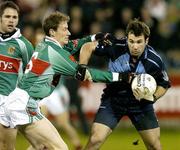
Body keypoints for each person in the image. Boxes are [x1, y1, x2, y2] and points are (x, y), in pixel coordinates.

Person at [0, 11, 131, 150]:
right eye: (64, 29)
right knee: (60, 148)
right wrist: (122, 77)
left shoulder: (45, 43)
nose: (68, 32)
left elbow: (74, 44)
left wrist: (95, 36)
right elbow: (86, 74)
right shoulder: (55, 54)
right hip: (24, 105)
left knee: (40, 147)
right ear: (52, 32)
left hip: (17, 102)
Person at [79, 19, 171, 150]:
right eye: (131, 41)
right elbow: (88, 46)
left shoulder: (154, 61)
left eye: (139, 42)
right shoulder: (115, 45)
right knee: (95, 140)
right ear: (126, 38)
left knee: (155, 146)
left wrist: (154, 97)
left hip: (141, 105)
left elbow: (164, 84)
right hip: (113, 100)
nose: (135, 46)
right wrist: (82, 66)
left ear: (147, 41)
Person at [0, 1, 34, 149]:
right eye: (7, 16)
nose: (11, 20)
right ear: (0, 18)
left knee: (8, 146)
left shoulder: (24, 45)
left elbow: (33, 73)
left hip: (10, 101)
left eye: (14, 17)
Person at [39, 80, 83, 150]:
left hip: (57, 92)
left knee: (63, 123)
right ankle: (43, 145)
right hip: (42, 91)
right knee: (39, 122)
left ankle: (77, 144)